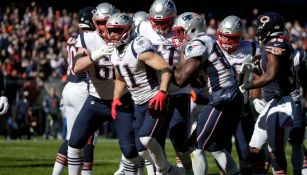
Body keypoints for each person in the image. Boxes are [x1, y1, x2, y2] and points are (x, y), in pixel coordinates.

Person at [105, 12, 184, 175]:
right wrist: (115, 99)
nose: (111, 34)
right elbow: (120, 79)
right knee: (141, 150)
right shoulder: (114, 53)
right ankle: (170, 170)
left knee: (147, 139)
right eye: (110, 30)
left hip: (154, 98)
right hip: (138, 102)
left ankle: (165, 170)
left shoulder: (138, 45)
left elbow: (164, 68)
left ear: (127, 30)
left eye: (116, 30)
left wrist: (162, 92)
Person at [68, 3, 142, 175]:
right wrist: (98, 53)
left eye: (107, 21)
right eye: (100, 22)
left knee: (130, 150)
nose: (104, 26)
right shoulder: (87, 39)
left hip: (122, 100)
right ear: (94, 23)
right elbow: (77, 67)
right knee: (74, 142)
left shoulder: (131, 36)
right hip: (96, 99)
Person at [172, 12, 244, 175]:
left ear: (192, 29)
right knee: (215, 146)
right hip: (231, 96)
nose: (179, 36)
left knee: (194, 145)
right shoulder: (207, 40)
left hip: (222, 97)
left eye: (181, 31)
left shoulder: (198, 44)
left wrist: (163, 70)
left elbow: (182, 78)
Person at [136, 0, 194, 174]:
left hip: (178, 91)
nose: (160, 26)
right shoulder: (141, 28)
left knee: (179, 141)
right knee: (154, 141)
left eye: (164, 21)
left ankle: (188, 171)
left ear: (173, 18)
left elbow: (191, 61)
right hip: (153, 92)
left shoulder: (183, 29)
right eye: (157, 21)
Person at [240, 12, 295, 174]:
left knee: (275, 151)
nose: (258, 31)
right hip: (272, 102)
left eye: (261, 27)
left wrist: (246, 86)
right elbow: (268, 71)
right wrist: (254, 68)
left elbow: (271, 75)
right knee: (255, 148)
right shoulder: (274, 44)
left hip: (281, 103)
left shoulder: (276, 43)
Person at [216, 15, 266, 174]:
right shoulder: (212, 46)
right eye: (224, 36)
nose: (227, 41)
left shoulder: (251, 48)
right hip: (220, 106)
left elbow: (259, 73)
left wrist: (255, 97)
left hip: (241, 107)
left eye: (232, 38)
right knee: (221, 148)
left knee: (245, 149)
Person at [51, 6, 98, 175]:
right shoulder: (90, 39)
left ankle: (55, 173)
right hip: (83, 88)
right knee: (89, 138)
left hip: (68, 88)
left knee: (72, 138)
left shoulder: (72, 38)